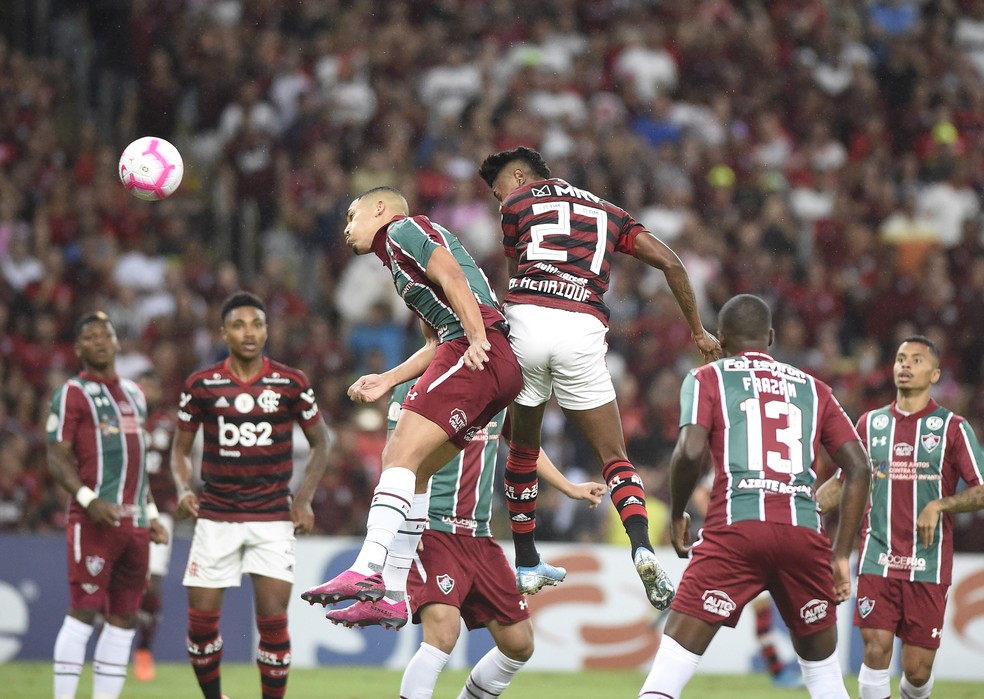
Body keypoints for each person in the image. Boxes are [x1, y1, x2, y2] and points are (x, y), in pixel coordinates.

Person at [477, 146, 721, 606]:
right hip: (583, 327)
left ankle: (527, 560)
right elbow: (671, 262)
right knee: (614, 457)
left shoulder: (516, 205)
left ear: (517, 176)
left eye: (498, 188)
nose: (498, 198)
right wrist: (698, 330)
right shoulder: (608, 212)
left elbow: (514, 276)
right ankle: (644, 549)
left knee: (524, 450)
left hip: (528, 319)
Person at [301, 186, 523, 630]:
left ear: (380, 209)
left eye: (352, 214)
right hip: (487, 359)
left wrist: (477, 337)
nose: (346, 228)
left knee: (396, 456)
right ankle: (395, 596)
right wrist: (388, 379)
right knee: (415, 470)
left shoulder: (405, 230)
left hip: (476, 349)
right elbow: (432, 341)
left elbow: (455, 281)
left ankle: (367, 567)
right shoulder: (401, 266)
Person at [638, 294, 871, 699]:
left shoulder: (707, 377)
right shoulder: (815, 389)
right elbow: (860, 468)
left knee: (673, 665)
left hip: (736, 530)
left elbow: (690, 451)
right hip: (803, 534)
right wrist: (839, 553)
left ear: (721, 339)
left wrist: (677, 513)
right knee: (823, 674)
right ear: (772, 337)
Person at [380, 380, 605, 698]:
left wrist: (568, 486)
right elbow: (393, 456)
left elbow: (525, 447)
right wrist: (403, 518)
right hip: (432, 527)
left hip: (479, 535)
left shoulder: (500, 389)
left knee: (519, 643)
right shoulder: (417, 385)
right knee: (443, 634)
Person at [172, 291, 331, 699]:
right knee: (200, 626)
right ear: (223, 332)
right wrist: (183, 489)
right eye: (239, 325)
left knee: (273, 622)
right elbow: (178, 451)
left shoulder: (290, 382)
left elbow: (321, 442)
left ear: (267, 330)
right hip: (215, 517)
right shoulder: (201, 385)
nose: (249, 332)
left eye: (257, 324)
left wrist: (303, 498)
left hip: (272, 519)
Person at [816, 335, 984, 699]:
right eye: (900, 359)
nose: (905, 365)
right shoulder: (869, 424)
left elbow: (981, 490)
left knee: (917, 671)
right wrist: (804, 508)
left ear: (936, 373)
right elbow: (844, 482)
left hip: (928, 563)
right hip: (878, 556)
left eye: (917, 360)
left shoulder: (953, 428)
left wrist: (940, 505)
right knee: (874, 651)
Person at [47, 311, 168, 699]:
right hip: (93, 519)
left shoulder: (135, 394)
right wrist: (88, 499)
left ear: (117, 343)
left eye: (106, 334)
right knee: (84, 610)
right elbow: (56, 457)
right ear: (79, 348)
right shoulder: (72, 393)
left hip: (135, 525)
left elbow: (138, 464)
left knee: (124, 618)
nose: (100, 341)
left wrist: (150, 514)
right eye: (90, 337)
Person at [133, 369, 179, 682]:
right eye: (142, 385)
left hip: (159, 511)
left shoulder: (170, 426)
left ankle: (144, 649)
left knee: (153, 582)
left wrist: (182, 496)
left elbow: (182, 462)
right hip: (121, 509)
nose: (147, 391)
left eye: (152, 385)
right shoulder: (121, 421)